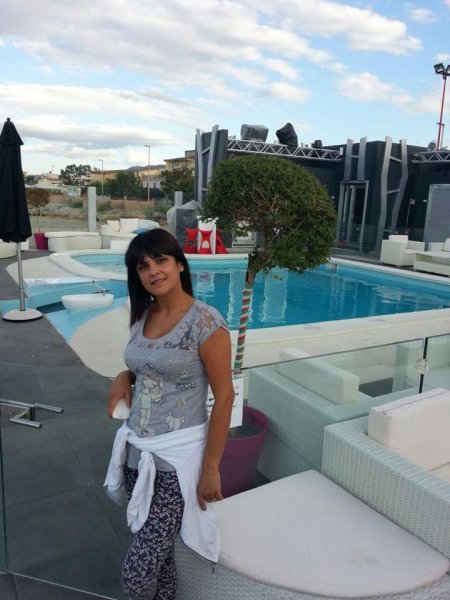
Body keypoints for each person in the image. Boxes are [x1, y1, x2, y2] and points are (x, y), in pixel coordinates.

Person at [104, 228, 234, 600]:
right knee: (160, 562)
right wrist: (125, 374)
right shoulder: (142, 315)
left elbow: (225, 397)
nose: (153, 271)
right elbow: (147, 366)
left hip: (176, 464)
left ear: (179, 264)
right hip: (138, 454)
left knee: (137, 573)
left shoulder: (205, 323)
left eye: (161, 260)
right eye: (143, 266)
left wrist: (210, 468)